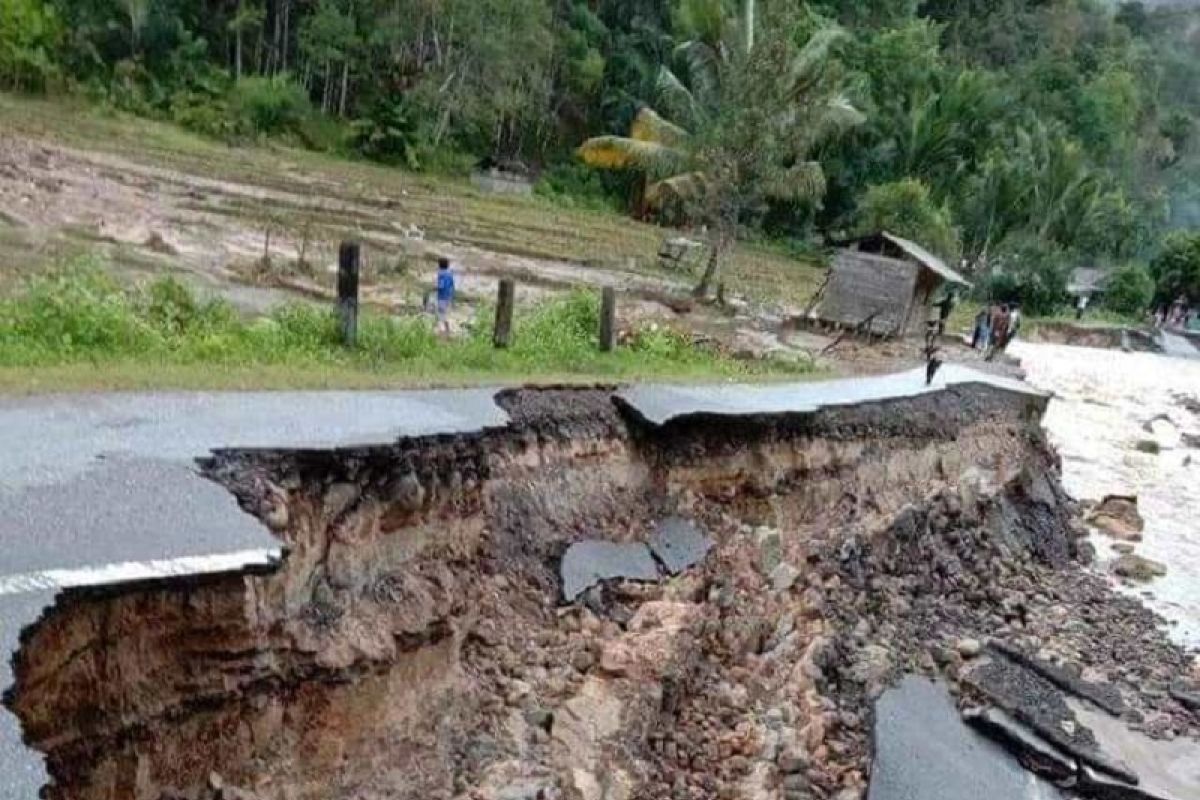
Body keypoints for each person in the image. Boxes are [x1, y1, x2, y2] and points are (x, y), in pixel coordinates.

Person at [434, 256, 456, 337]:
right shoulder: (450, 274)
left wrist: (433, 288)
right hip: (448, 296)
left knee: (441, 313)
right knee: (444, 312)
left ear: (439, 265)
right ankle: (446, 330)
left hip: (442, 297)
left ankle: (444, 330)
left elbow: (441, 286)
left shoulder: (441, 274)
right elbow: (452, 286)